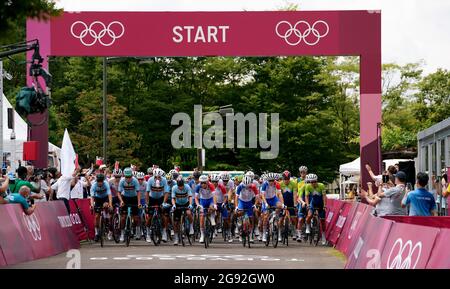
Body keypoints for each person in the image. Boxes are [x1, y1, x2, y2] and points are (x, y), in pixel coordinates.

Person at [145, 168, 171, 243]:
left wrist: (163, 202)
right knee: (149, 217)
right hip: (152, 198)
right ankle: (148, 234)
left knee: (164, 216)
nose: (157, 178)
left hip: (160, 198)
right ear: (153, 176)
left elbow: (166, 192)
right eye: (156, 177)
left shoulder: (164, 180)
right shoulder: (150, 180)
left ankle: (164, 232)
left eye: (159, 177)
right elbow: (147, 192)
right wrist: (147, 203)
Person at [119, 167, 141, 242]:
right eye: (126, 177)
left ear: (132, 175)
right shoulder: (122, 181)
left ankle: (137, 231)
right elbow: (118, 192)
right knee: (123, 218)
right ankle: (122, 233)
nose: (128, 178)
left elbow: (138, 192)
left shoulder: (135, 181)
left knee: (136, 218)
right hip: (125, 198)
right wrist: (121, 201)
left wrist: (138, 203)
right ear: (124, 176)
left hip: (134, 198)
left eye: (129, 177)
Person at [260, 173, 284, 242]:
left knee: (280, 206)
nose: (271, 182)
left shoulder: (276, 183)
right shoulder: (264, 184)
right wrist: (265, 203)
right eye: (270, 180)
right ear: (267, 180)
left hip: (273, 198)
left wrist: (282, 204)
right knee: (265, 216)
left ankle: (275, 218)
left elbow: (280, 194)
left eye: (272, 180)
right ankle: (264, 233)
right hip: (266, 199)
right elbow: (263, 196)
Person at [305, 174, 327, 245]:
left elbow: (324, 196)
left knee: (323, 220)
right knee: (309, 215)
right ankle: (308, 226)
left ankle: (323, 236)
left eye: (314, 182)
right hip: (313, 203)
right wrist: (307, 204)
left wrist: (325, 205)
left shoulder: (321, 185)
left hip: (320, 203)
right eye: (311, 182)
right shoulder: (308, 186)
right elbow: (307, 197)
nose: (313, 183)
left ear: (317, 181)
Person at [235, 175, 259, 243]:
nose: (246, 187)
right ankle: (240, 230)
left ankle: (251, 235)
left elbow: (257, 197)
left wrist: (255, 205)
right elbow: (236, 197)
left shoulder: (253, 186)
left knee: (251, 218)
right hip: (241, 202)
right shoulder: (240, 186)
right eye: (245, 185)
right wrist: (236, 207)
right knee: (239, 213)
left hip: (249, 202)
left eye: (248, 186)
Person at [90, 174, 113, 242]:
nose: (100, 183)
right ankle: (97, 233)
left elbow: (109, 195)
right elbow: (92, 197)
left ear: (103, 181)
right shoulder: (94, 185)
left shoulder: (106, 184)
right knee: (97, 216)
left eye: (101, 181)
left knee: (106, 205)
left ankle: (106, 217)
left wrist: (110, 204)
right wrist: (91, 205)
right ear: (96, 181)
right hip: (98, 199)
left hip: (105, 198)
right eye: (98, 181)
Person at [194, 175, 217, 244]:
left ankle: (212, 217)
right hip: (202, 201)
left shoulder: (211, 185)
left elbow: (214, 196)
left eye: (204, 183)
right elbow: (196, 197)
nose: (203, 184)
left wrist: (215, 205)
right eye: (201, 183)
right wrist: (198, 205)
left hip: (210, 200)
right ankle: (202, 235)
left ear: (207, 182)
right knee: (201, 217)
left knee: (212, 207)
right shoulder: (198, 186)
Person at [171, 178, 194, 246]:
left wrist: (190, 204)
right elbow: (173, 198)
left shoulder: (187, 187)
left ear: (183, 184)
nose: (180, 188)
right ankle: (176, 237)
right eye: (179, 186)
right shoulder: (174, 188)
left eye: (182, 186)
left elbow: (190, 196)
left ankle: (191, 227)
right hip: (177, 204)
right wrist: (174, 205)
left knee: (189, 213)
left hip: (186, 203)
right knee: (175, 222)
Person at [279, 170, 297, 241]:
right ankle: (279, 233)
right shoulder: (279, 184)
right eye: (285, 179)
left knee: (293, 219)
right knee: (280, 219)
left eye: (288, 179)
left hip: (290, 202)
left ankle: (294, 232)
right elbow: (278, 195)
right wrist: (280, 204)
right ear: (283, 178)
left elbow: (295, 195)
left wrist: (295, 205)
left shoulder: (293, 184)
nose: (286, 181)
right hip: (282, 202)